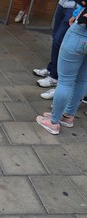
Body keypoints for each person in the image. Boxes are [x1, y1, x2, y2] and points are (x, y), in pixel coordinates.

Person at [36, 1, 87, 135]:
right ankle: (68, 117)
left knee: (65, 81)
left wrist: (77, 13)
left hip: (81, 32)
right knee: (82, 80)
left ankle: (54, 122)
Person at [34, 0, 77, 95]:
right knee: (55, 37)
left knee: (59, 40)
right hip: (62, 4)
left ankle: (54, 76)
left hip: (75, 7)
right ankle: (51, 68)